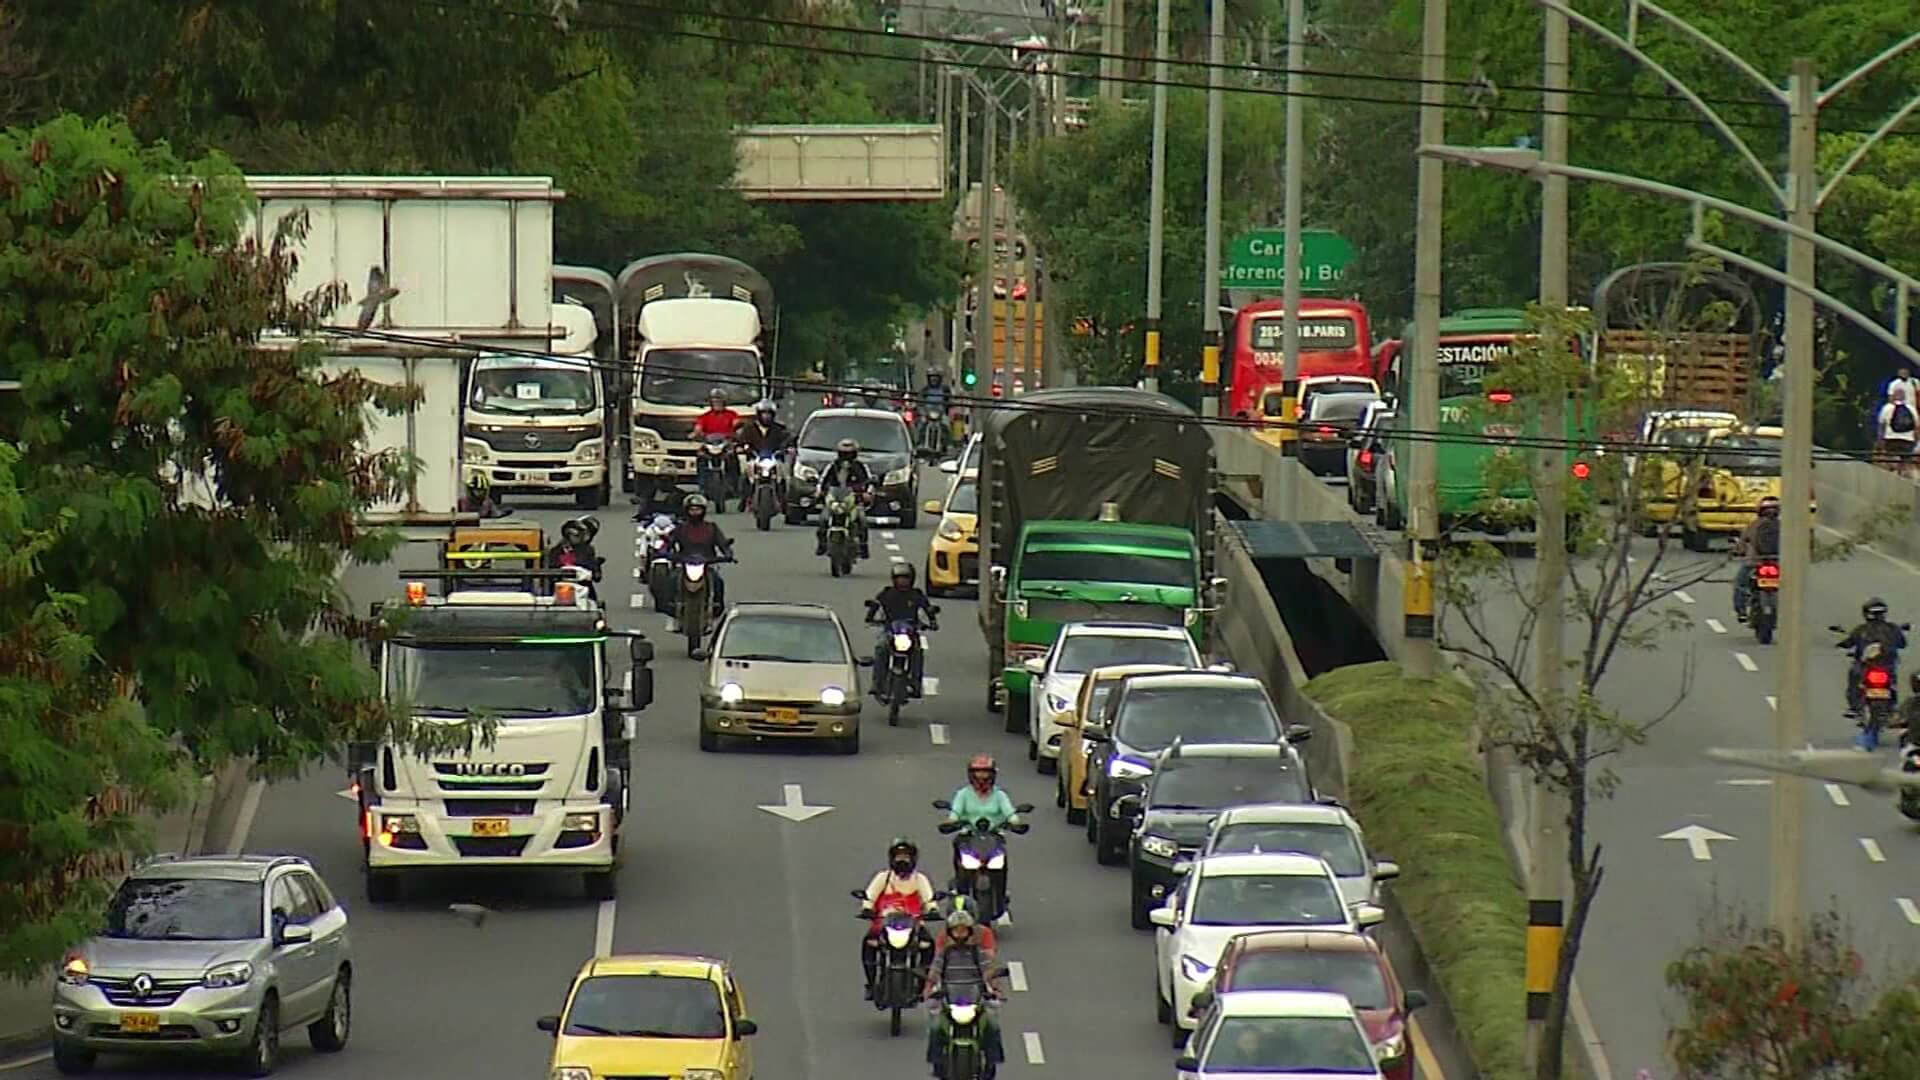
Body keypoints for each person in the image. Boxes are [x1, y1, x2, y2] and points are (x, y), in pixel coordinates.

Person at [922, 900, 1005, 1080]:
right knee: (936, 1028)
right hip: (950, 1000)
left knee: (992, 1025)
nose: (960, 934)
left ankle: (992, 1062)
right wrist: (929, 987)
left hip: (974, 1000)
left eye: (963, 930)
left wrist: (995, 989)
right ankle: (937, 1063)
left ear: (970, 931)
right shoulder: (945, 953)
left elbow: (987, 971)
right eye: (956, 930)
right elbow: (935, 970)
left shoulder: (977, 952)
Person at [859, 838, 938, 1002]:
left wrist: (932, 910)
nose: (902, 861)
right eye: (898, 857)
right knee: (868, 944)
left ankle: (921, 985)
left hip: (913, 925)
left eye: (906, 857)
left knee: (928, 945)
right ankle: (871, 983)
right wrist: (867, 908)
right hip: (884, 925)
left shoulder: (919, 879)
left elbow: (929, 899)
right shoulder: (884, 877)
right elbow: (870, 896)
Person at [867, 561, 939, 699]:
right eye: (900, 579)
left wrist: (932, 622)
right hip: (890, 631)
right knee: (881, 648)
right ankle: (877, 683)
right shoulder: (887, 593)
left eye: (905, 579)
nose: (902, 582)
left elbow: (927, 608)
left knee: (917, 653)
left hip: (910, 632)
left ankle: (915, 684)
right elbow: (876, 604)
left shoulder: (916, 595)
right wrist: (870, 617)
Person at [666, 493, 735, 629]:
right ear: (687, 510)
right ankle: (672, 611)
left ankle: (715, 610)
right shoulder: (681, 528)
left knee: (718, 582)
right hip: (685, 564)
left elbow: (723, 544)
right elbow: (669, 543)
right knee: (672, 580)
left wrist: (728, 554)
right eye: (692, 509)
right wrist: (666, 553)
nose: (695, 512)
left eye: (698, 509)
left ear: (703, 510)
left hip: (707, 564)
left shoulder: (711, 528)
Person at [1837, 597, 1907, 720]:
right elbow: (1902, 644)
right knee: (1892, 681)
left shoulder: (1861, 629)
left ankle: (1854, 707)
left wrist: (1840, 645)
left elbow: (1848, 642)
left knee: (1854, 677)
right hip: (1886, 666)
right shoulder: (1893, 628)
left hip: (1868, 667)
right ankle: (1892, 707)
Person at [815, 438, 875, 559]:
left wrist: (867, 493)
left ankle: (863, 547)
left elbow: (869, 482)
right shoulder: (832, 466)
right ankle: (822, 544)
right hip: (835, 499)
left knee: (862, 520)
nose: (846, 457)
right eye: (843, 454)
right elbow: (823, 481)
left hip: (854, 501)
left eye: (849, 454)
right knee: (823, 519)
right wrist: (819, 492)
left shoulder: (861, 466)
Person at [1732, 496, 1781, 622]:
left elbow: (1741, 546)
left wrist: (1738, 550)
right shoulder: (1786, 525)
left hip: (1754, 563)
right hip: (1779, 563)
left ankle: (1742, 611)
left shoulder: (1753, 525)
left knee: (1740, 584)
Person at [546, 519, 602, 588]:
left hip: (583, 588)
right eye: (578, 535)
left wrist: (589, 574)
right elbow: (550, 572)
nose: (582, 538)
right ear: (568, 535)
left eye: (583, 535)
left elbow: (597, 576)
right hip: (560, 589)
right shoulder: (555, 552)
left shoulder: (587, 550)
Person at [1876, 385, 1918, 476]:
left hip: (1891, 439)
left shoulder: (1887, 408)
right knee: (1906, 462)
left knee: (1890, 460)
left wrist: (1880, 440)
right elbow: (1916, 426)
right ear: (1904, 396)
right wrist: (1915, 441)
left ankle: (1891, 476)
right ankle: (1904, 477)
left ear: (1894, 396)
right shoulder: (1911, 409)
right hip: (1907, 440)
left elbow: (1881, 425)